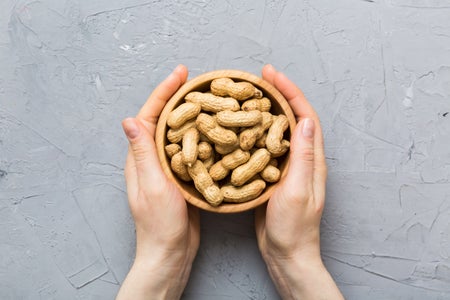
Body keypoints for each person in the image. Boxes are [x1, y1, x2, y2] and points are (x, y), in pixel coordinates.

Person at [116, 64, 344, 300]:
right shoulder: (217, 132)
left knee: (240, 154)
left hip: (232, 151)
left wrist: (163, 255)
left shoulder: (244, 127)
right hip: (226, 152)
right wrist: (293, 257)